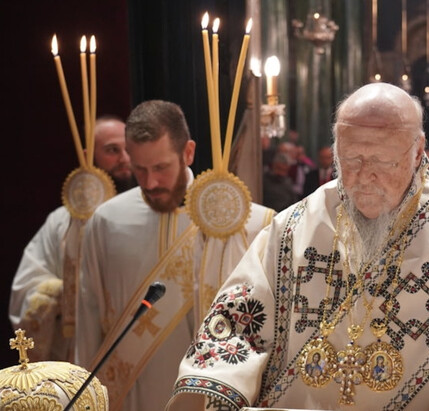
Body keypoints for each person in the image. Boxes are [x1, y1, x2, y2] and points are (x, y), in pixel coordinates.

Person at [168, 83, 429, 410]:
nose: (364, 176)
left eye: (381, 161)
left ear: (418, 150)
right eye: (351, 159)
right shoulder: (293, 229)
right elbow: (237, 322)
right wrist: (222, 384)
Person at [76, 100, 275, 411]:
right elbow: (89, 317)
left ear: (188, 153)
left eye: (160, 167)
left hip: (210, 396)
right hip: (131, 398)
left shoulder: (249, 224)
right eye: (139, 169)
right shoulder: (106, 221)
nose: (150, 182)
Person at [9, 116, 134, 362]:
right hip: (75, 349)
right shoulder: (62, 222)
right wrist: (66, 292)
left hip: (131, 345)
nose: (125, 159)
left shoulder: (145, 216)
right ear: (88, 156)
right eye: (112, 150)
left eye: (129, 150)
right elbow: (26, 289)